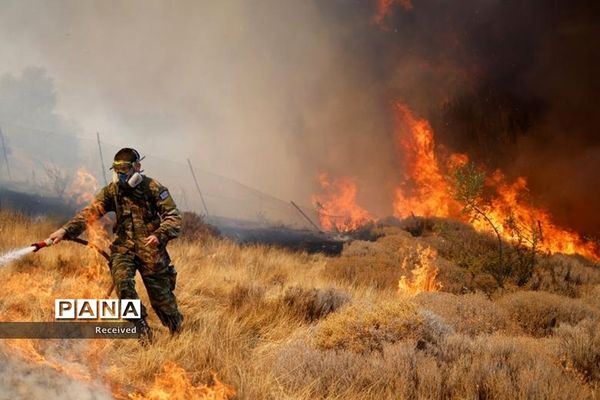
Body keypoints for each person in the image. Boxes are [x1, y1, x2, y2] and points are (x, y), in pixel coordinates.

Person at [48, 148, 183, 342]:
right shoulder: (113, 191)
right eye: (117, 169)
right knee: (122, 283)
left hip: (151, 250)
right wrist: (65, 231)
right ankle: (141, 327)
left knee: (163, 302)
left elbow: (173, 217)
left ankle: (176, 330)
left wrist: (159, 235)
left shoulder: (153, 188)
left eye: (125, 169)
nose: (120, 174)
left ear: (137, 167)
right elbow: (90, 213)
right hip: (123, 249)